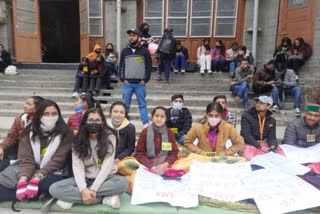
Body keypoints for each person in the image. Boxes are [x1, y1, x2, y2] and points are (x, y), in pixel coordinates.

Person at [49, 107, 128, 209]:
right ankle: (103, 198)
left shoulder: (110, 137)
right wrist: (83, 189)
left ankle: (73, 198)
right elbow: (78, 167)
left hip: (105, 178)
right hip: (85, 178)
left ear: (103, 122)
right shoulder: (77, 139)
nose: (94, 123)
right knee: (54, 189)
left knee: (123, 183)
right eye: (90, 120)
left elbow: (107, 166)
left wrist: (94, 189)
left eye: (97, 120)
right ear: (85, 122)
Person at [0, 99, 73, 202]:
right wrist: (23, 179)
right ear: (39, 115)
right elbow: (26, 159)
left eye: (54, 114)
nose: (50, 117)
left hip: (54, 171)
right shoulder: (29, 132)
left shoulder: (66, 132)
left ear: (59, 115)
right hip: (31, 168)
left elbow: (58, 160)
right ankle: (32, 194)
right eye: (46, 114)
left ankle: (32, 194)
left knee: (47, 183)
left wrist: (37, 178)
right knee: (7, 181)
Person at [0, 96, 44, 172]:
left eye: (29, 104)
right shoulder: (20, 119)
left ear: (37, 108)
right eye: (25, 103)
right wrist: (2, 147)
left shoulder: (44, 121)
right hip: (18, 149)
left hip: (33, 154)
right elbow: (11, 137)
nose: (25, 106)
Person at [119, 28, 152, 127]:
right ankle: (124, 123)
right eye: (130, 36)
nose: (131, 37)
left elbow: (148, 66)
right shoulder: (125, 51)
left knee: (142, 105)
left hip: (140, 84)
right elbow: (121, 66)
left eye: (133, 35)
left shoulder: (145, 51)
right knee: (125, 105)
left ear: (139, 37)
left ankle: (145, 124)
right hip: (127, 84)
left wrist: (145, 79)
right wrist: (122, 79)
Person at [135, 106, 179, 175]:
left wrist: (166, 164)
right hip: (147, 164)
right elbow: (140, 153)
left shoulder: (169, 133)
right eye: (156, 116)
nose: (159, 119)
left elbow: (174, 152)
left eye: (162, 117)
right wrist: (151, 166)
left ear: (166, 119)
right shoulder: (145, 132)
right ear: (152, 117)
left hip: (166, 164)